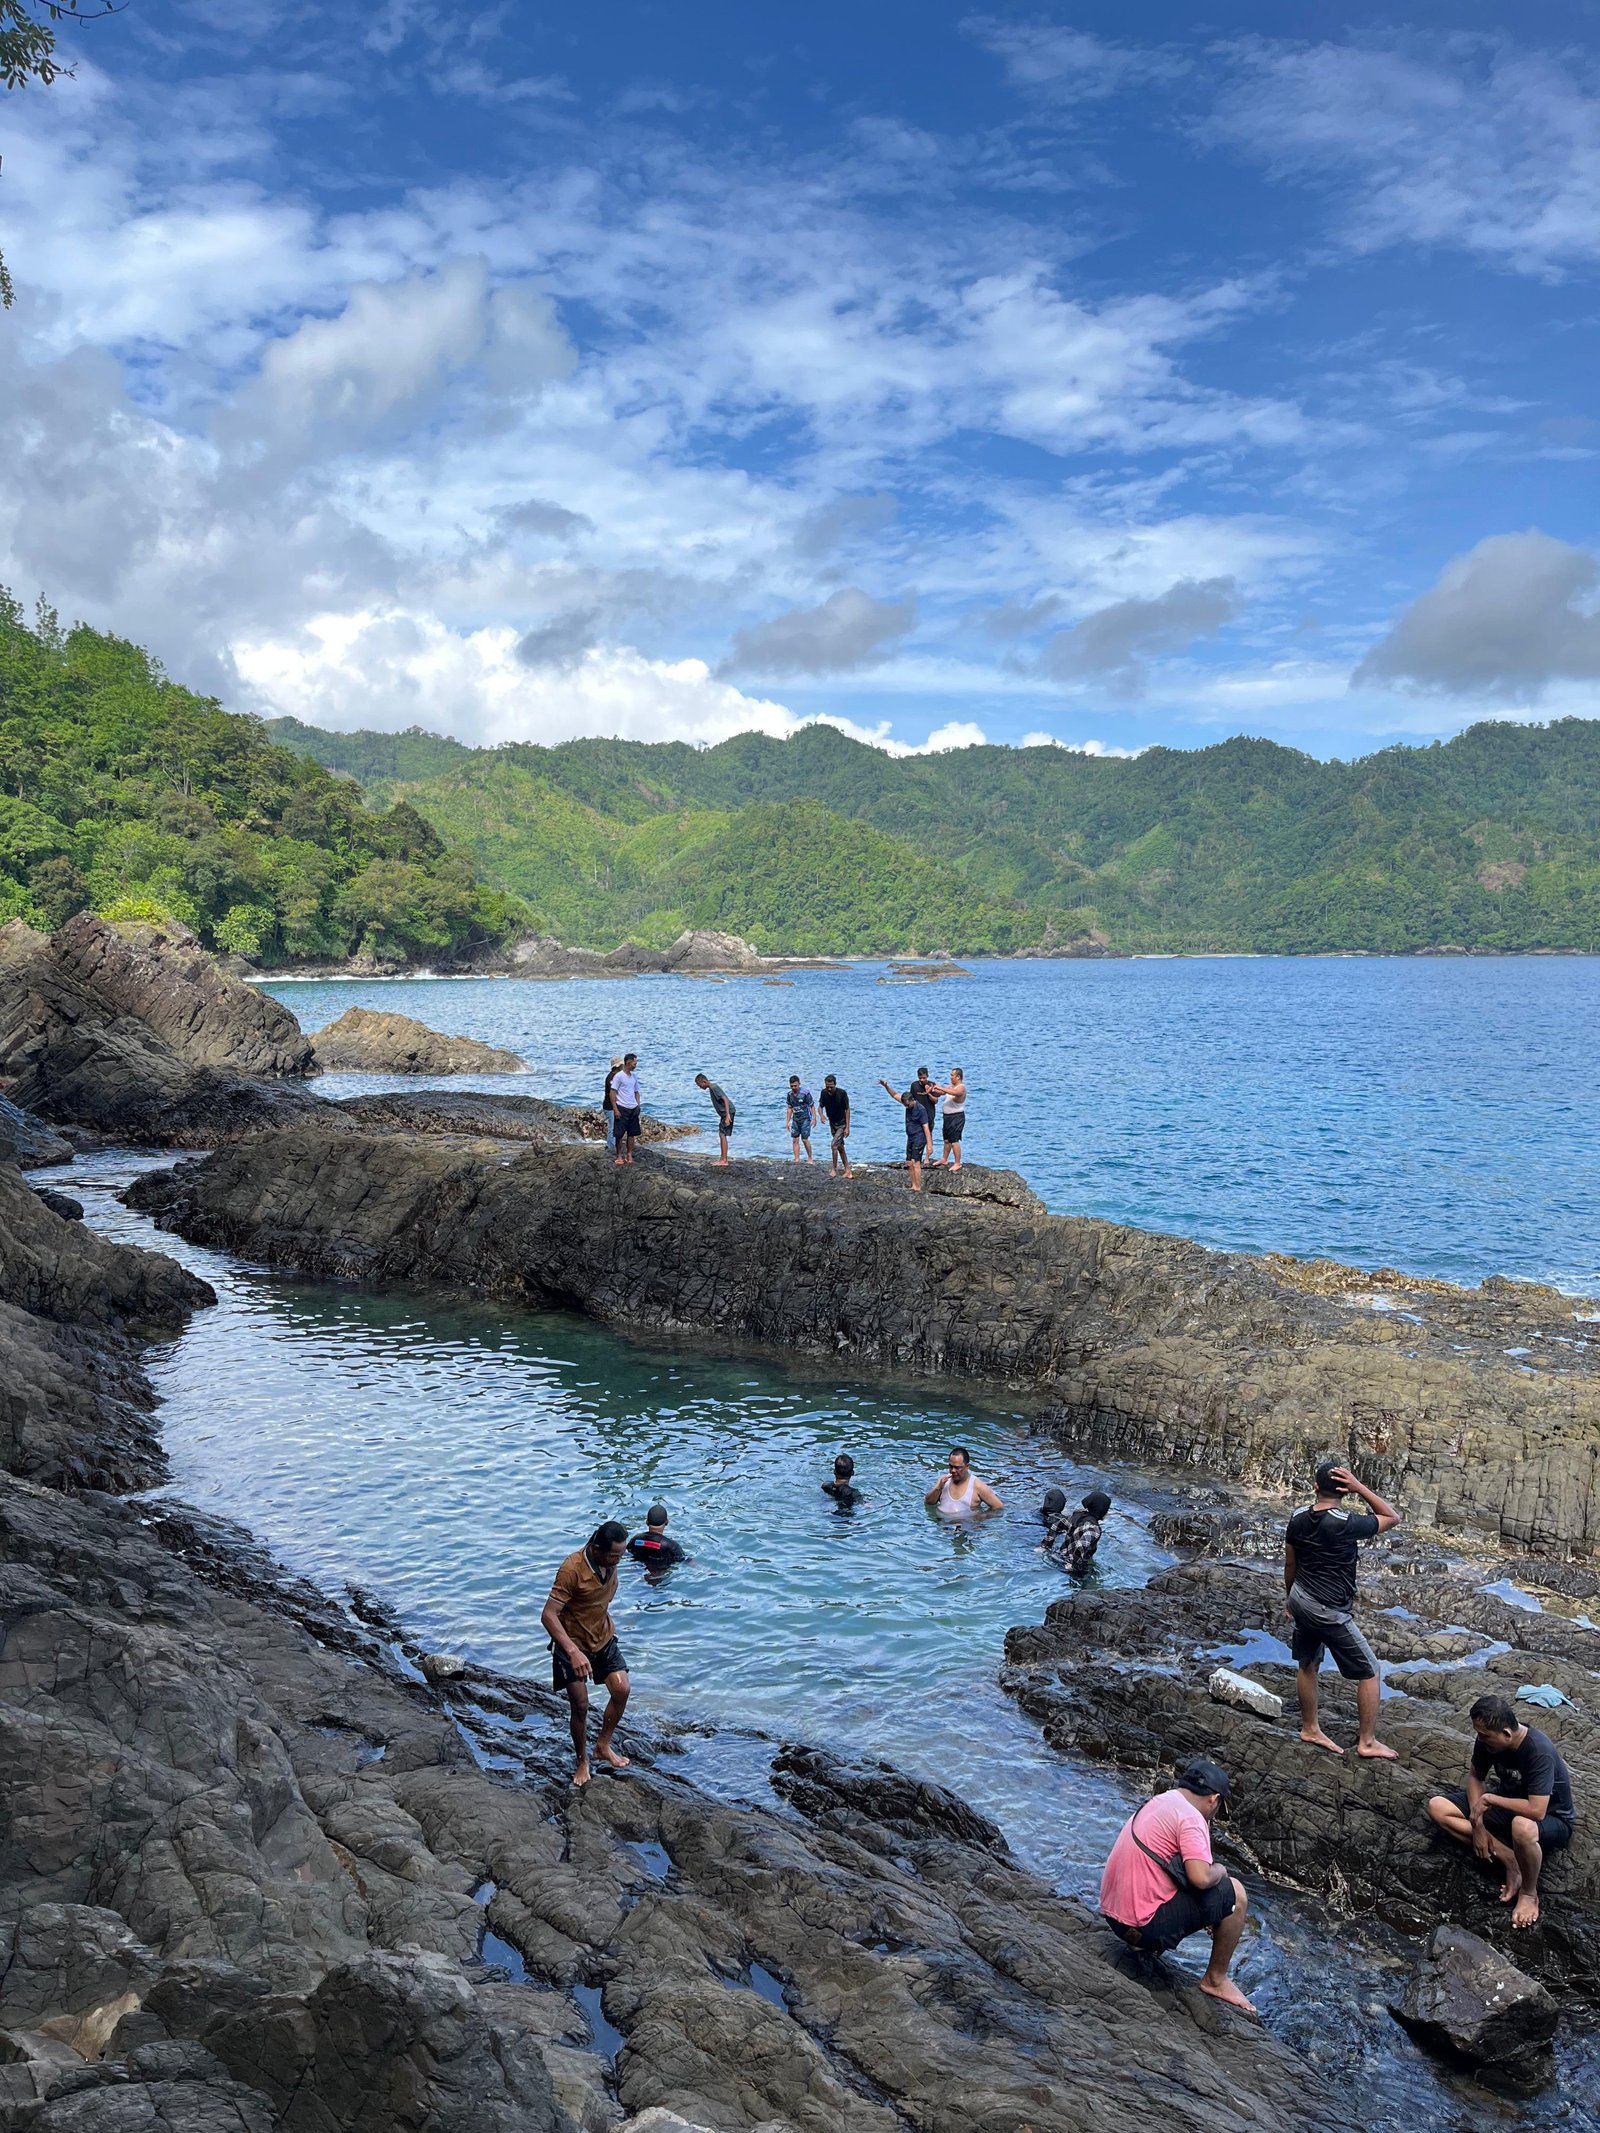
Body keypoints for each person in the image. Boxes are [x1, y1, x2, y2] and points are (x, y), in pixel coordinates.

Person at [1100, 1759, 1254, 2013]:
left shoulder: (1162, 1800)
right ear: (1214, 1800)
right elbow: (1201, 1878)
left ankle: (1140, 1944)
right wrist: (1221, 1871)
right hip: (1142, 1927)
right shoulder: (1192, 1818)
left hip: (1114, 1919)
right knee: (1235, 1891)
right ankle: (1216, 1980)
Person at [1284, 1458, 1401, 1759]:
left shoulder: (1297, 1517)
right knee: (1370, 1670)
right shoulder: (1346, 1523)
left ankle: (1310, 1727)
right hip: (1328, 1609)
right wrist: (1360, 1486)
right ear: (1344, 1490)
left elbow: (1290, 1564)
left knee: (1308, 1663)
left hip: (1300, 1598)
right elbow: (1391, 1516)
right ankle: (1368, 1741)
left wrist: (1290, 1600)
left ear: (1314, 1487)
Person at [1426, 1695, 1576, 1929]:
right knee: (1437, 1806)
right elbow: (1476, 1776)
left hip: (1552, 1818)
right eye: (1478, 1733)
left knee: (1522, 1826)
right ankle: (1510, 1858)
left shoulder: (1538, 1750)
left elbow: (1537, 1811)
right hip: (1507, 1805)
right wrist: (1478, 1826)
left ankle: (1528, 1893)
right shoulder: (1486, 1741)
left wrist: (1488, 1799)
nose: (1480, 1739)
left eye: (1485, 1736)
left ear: (1506, 1734)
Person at [541, 1521, 632, 1787]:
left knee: (622, 1689)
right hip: (572, 1645)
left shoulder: (611, 1565)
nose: (618, 1560)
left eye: (621, 1555)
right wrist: (572, 1651)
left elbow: (600, 1600)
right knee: (580, 1705)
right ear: (596, 1548)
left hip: (602, 1638)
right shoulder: (572, 1569)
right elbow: (548, 1615)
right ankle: (582, 1760)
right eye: (614, 1555)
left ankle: (603, 1745)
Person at [925, 1445, 1003, 1518]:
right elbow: (929, 1502)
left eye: (957, 1467)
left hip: (965, 1527)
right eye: (951, 1466)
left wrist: (982, 1517)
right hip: (942, 1527)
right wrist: (938, 1488)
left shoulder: (977, 1486)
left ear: (967, 1466)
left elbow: (998, 1507)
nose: (953, 1470)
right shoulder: (943, 1481)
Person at [878, 1078, 927, 1191]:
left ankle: (918, 1187)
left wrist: (929, 1145)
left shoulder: (921, 1109)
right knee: (909, 1163)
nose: (906, 1107)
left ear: (912, 1100)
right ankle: (913, 1185)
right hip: (910, 1137)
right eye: (905, 1105)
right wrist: (886, 1086)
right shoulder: (906, 1102)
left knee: (916, 1163)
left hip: (919, 1137)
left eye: (908, 1105)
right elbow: (894, 1094)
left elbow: (926, 1127)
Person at [1050, 1489, 1112, 1576]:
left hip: (1058, 1557)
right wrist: (1074, 1566)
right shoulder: (1094, 1529)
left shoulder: (1076, 1517)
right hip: (1071, 1567)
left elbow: (1055, 1526)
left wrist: (1045, 1545)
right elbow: (1081, 1545)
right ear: (1102, 1510)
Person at [626, 1503, 687, 1569]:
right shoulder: (672, 1546)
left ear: (647, 1522)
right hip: (660, 1573)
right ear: (666, 1522)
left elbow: (626, 1553)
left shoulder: (635, 1540)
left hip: (638, 1571)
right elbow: (686, 1561)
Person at [694, 1072, 735, 1165]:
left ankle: (724, 1160)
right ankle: (723, 1158)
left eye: (699, 1085)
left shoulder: (714, 1087)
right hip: (725, 1113)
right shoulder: (712, 1088)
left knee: (722, 1134)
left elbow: (725, 1099)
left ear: (704, 1081)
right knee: (722, 1134)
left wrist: (727, 1115)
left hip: (727, 1113)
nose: (699, 1087)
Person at [610, 1052, 642, 1168]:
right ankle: (618, 1155)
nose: (636, 1065)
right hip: (622, 1107)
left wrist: (638, 1105)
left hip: (633, 1108)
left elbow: (636, 1092)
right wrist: (615, 1109)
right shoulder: (619, 1076)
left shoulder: (634, 1076)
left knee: (632, 1133)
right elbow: (612, 1092)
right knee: (619, 1134)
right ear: (628, 1063)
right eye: (634, 1063)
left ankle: (629, 1154)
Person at [818, 1074, 852, 1177]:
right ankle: (848, 1171)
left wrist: (847, 1127)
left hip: (842, 1124)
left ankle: (834, 1169)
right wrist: (821, 1115)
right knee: (840, 1147)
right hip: (832, 1123)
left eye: (831, 1087)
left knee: (834, 1145)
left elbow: (847, 1109)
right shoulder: (824, 1093)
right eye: (827, 1086)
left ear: (835, 1085)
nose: (829, 1089)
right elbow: (820, 1106)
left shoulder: (842, 1093)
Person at [935, 1067, 967, 1169]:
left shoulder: (961, 1087)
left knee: (954, 1141)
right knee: (947, 1140)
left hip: (956, 1117)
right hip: (947, 1117)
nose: (950, 1077)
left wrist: (940, 1088)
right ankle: (944, 1159)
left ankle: (957, 1163)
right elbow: (942, 1093)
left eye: (952, 1075)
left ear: (958, 1077)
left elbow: (955, 1093)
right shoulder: (951, 1086)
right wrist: (933, 1090)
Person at [786, 1075, 815, 1163]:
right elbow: (790, 1108)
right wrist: (787, 1121)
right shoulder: (789, 1094)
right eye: (792, 1086)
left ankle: (810, 1158)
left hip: (805, 1118)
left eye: (795, 1085)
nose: (794, 1087)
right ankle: (797, 1158)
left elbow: (812, 1106)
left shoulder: (805, 1093)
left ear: (799, 1084)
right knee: (795, 1139)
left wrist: (814, 1118)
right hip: (795, 1119)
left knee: (805, 1139)